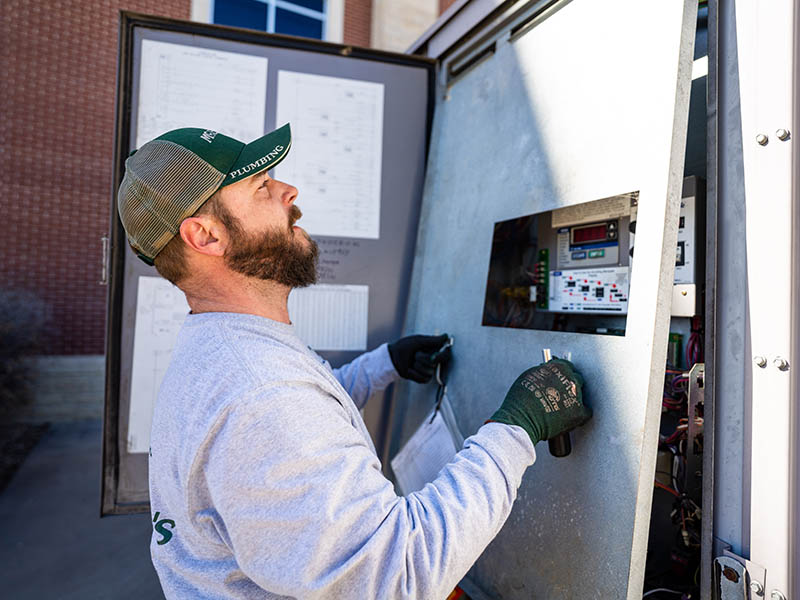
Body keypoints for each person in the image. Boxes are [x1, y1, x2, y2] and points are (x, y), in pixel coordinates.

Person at [117, 124, 593, 600]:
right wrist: (515, 427)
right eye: (261, 185)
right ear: (206, 235)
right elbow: (398, 573)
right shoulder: (260, 394)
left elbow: (307, 417)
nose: (288, 190)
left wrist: (386, 363)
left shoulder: (225, 349)